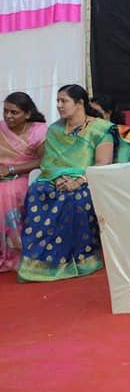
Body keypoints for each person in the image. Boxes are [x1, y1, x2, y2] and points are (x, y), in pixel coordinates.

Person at [17, 84, 114, 282]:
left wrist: (79, 181)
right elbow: (48, 163)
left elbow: (103, 163)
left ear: (79, 103)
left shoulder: (100, 129)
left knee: (75, 199)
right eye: (58, 101)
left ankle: (82, 260)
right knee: (37, 192)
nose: (59, 105)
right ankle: (40, 264)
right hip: (54, 179)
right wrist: (58, 177)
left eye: (64, 101)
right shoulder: (54, 129)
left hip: (88, 180)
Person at [1, 92, 47, 272]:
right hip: (2, 173)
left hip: (25, 175)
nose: (8, 116)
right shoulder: (1, 128)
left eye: (14, 112)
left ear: (27, 114)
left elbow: (43, 161)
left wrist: (12, 170)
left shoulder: (38, 130)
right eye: (5, 111)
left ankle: (16, 250)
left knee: (7, 193)